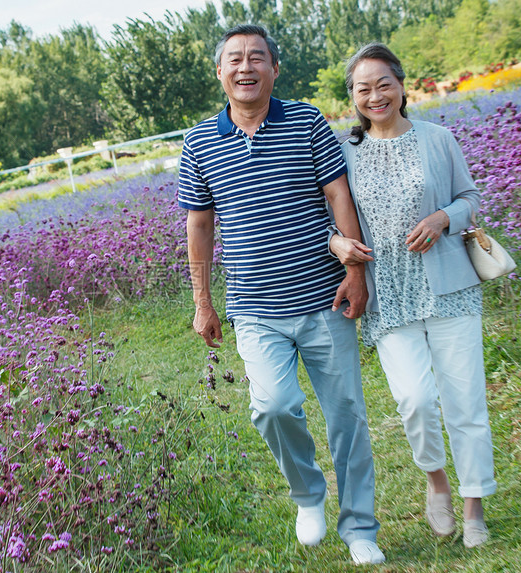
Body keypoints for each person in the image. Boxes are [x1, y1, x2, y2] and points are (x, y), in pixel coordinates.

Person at [178, 24, 385, 565]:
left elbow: (338, 193)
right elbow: (199, 227)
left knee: (347, 418)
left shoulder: (306, 121)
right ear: (219, 72)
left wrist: (356, 271)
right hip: (254, 309)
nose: (246, 68)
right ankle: (307, 494)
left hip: (324, 300)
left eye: (257, 58)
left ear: (274, 68)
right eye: (235, 60)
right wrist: (203, 301)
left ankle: (360, 526)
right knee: (272, 407)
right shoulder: (199, 141)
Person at [331, 42, 496, 549]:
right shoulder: (343, 151)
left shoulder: (438, 138)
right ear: (353, 98)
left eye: (384, 84)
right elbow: (329, 216)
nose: (375, 95)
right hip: (388, 296)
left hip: (450, 290)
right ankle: (436, 483)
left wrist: (444, 217)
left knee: (465, 403)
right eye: (364, 88)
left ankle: (474, 507)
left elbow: (469, 198)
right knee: (415, 401)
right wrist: (338, 243)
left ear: (402, 86)